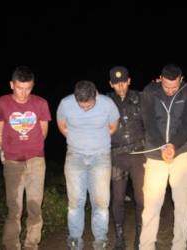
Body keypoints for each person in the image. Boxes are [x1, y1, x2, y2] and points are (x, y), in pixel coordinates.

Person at [0, 66, 51, 250]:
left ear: (32, 86)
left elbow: (43, 132)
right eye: (19, 88)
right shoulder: (2, 104)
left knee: (34, 207)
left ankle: (31, 244)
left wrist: (31, 147)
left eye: (28, 88)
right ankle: (11, 245)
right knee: (14, 209)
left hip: (36, 161)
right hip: (12, 163)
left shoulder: (41, 103)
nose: (24, 93)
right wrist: (7, 150)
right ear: (12, 85)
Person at [139, 64, 187, 250]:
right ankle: (146, 246)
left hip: (181, 151)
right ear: (160, 79)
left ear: (181, 79)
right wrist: (162, 145)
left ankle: (179, 246)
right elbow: (148, 122)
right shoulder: (149, 91)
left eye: (174, 87)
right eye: (166, 87)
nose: (171, 90)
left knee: (183, 204)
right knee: (151, 205)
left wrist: (173, 145)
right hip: (155, 152)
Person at [57, 80, 119, 250]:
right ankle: (75, 239)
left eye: (88, 106)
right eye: (81, 105)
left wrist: (95, 139)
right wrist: (77, 139)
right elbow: (62, 125)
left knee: (100, 201)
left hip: (100, 157)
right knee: (75, 201)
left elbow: (113, 126)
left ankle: (100, 240)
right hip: (74, 157)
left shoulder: (107, 104)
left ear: (96, 96)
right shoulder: (66, 103)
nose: (84, 108)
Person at [107, 66, 146, 250]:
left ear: (129, 81)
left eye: (123, 82)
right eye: (116, 83)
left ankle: (140, 236)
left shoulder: (141, 98)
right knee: (118, 198)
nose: (120, 86)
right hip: (117, 156)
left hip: (139, 155)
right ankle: (120, 237)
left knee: (141, 198)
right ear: (111, 84)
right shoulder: (105, 101)